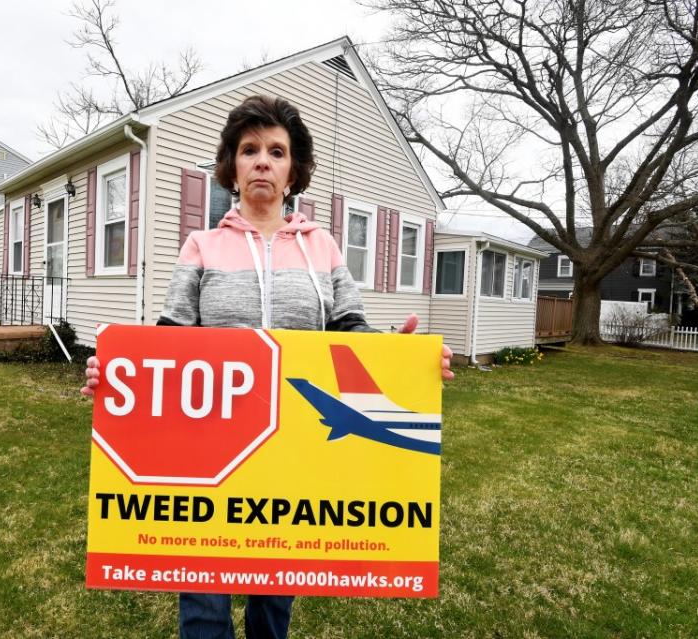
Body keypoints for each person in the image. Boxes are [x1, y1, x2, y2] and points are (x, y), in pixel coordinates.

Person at [81, 94, 454, 639]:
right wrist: (119, 377)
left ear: (293, 170)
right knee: (204, 607)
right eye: (249, 149)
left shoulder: (322, 247)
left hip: (293, 451)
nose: (262, 161)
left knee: (273, 606)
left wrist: (404, 358)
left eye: (276, 152)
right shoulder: (200, 246)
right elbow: (170, 342)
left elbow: (350, 329)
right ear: (231, 166)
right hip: (207, 449)